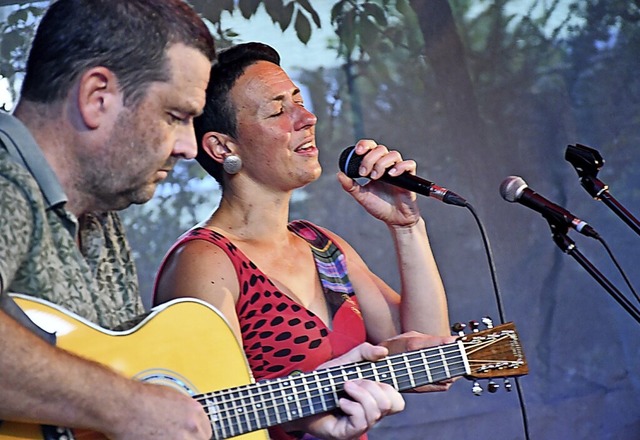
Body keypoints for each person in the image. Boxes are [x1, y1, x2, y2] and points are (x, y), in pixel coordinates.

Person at [0, 3, 403, 439]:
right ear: (97, 97)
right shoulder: (7, 184)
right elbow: (136, 407)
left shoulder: (100, 216)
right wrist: (127, 406)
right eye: (176, 116)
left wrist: (301, 403)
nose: (189, 147)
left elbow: (159, 403)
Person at [154, 42, 453, 440]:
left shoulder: (321, 246)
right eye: (278, 110)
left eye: (299, 100)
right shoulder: (206, 260)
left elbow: (432, 358)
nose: (307, 118)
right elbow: (204, 417)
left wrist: (406, 226)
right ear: (222, 147)